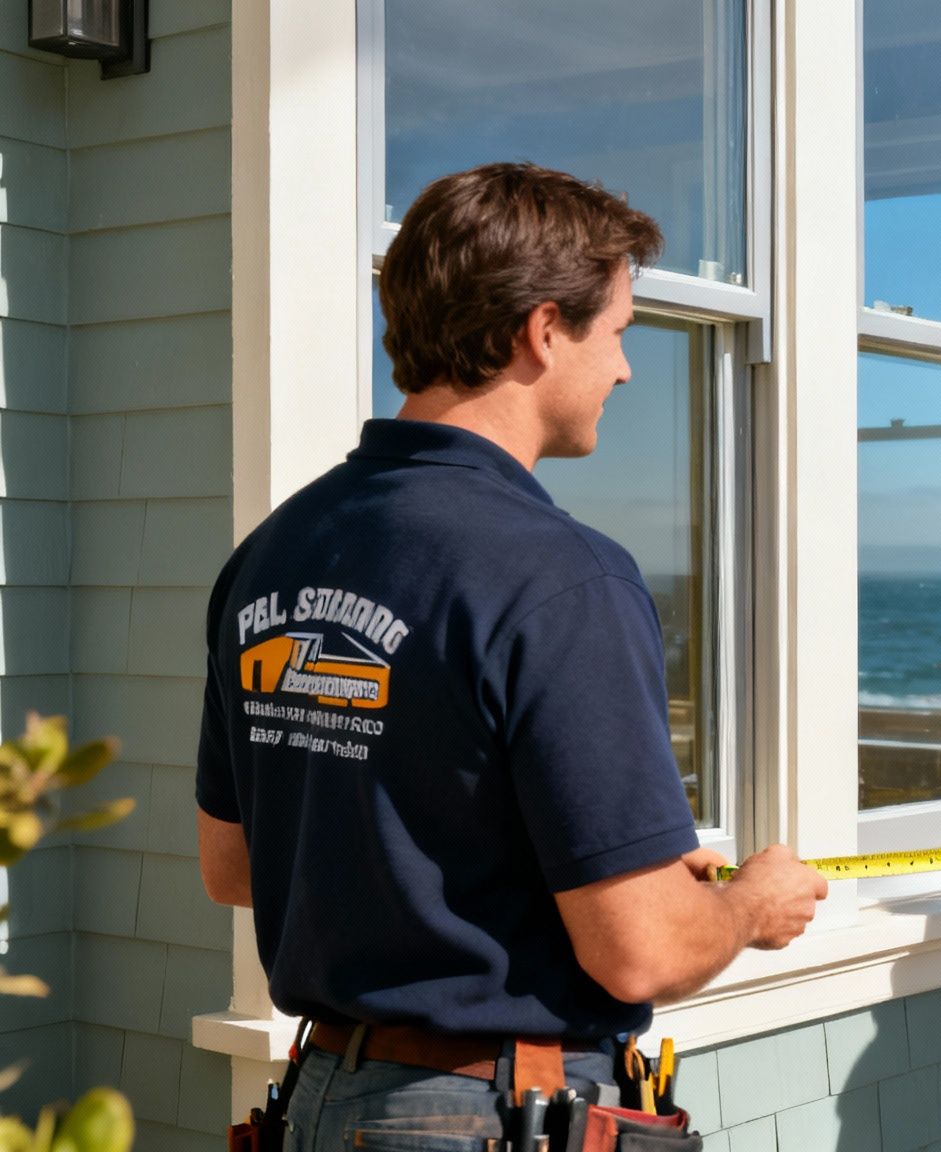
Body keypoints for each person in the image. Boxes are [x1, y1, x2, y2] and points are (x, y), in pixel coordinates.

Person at [194, 162, 827, 1145]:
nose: (622, 368)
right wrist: (750, 905)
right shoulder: (562, 577)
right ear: (541, 330)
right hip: (488, 1115)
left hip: (321, 1100)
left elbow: (235, 864)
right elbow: (642, 954)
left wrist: (603, 867)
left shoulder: (273, 553)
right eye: (616, 332)